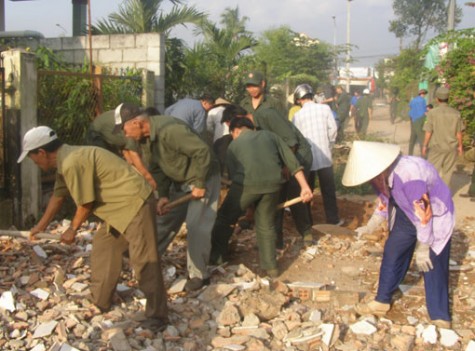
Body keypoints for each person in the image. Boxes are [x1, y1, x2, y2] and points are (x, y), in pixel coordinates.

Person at [19, 126, 168, 328]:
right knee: (104, 248)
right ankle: (101, 301)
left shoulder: (71, 161)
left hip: (135, 202)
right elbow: (58, 196)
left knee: (144, 259)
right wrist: (40, 226)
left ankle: (157, 316)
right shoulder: (65, 160)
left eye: (32, 157)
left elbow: (85, 203)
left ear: (42, 152)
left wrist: (72, 229)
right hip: (116, 210)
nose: (34, 162)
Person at [342, 141, 454, 329]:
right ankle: (382, 299)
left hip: (435, 211)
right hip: (406, 211)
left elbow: (424, 213)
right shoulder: (378, 176)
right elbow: (385, 198)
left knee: (431, 261)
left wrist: (424, 246)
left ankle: (440, 314)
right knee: (393, 250)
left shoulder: (410, 175)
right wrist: (371, 224)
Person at [115, 110, 221, 292]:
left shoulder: (171, 130)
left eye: (124, 130)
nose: (125, 135)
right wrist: (163, 195)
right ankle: (143, 262)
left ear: (136, 123)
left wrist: (200, 183)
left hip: (203, 177)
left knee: (196, 226)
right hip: (181, 181)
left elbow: (202, 152)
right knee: (164, 219)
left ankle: (199, 275)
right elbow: (156, 168)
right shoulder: (144, 139)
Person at [209, 117, 314, 277]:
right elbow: (292, 162)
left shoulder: (234, 145)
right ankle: (271, 267)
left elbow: (234, 178)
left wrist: (247, 207)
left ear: (235, 131)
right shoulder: (271, 136)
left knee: (224, 219)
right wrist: (305, 187)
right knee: (266, 225)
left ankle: (217, 258)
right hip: (273, 185)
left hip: (246, 186)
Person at [249, 106, 314, 248]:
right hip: (282, 159)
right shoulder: (253, 131)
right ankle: (275, 241)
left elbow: (292, 142)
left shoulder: (267, 114)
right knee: (276, 197)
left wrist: (286, 166)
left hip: (298, 155)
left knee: (295, 194)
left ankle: (306, 232)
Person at [292, 84, 342, 226]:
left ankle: (308, 222)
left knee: (307, 190)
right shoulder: (325, 109)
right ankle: (333, 220)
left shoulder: (297, 116)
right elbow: (333, 130)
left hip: (307, 159)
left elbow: (296, 138)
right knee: (328, 190)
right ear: (311, 96)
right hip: (325, 157)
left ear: (299, 99)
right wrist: (329, 145)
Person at [86, 103, 158, 189]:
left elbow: (128, 149)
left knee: (128, 159)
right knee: (108, 166)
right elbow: (133, 154)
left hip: (109, 132)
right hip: (97, 136)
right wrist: (149, 179)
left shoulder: (132, 116)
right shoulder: (131, 124)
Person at [422, 86, 463, 188]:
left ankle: (431, 195)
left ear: (437, 99)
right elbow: (459, 132)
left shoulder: (432, 113)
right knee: (448, 173)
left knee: (432, 171)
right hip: (451, 148)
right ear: (448, 98)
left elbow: (428, 132)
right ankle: (444, 196)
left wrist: (424, 146)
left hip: (437, 148)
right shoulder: (456, 113)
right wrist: (460, 146)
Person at [408, 89, 428, 156]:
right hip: (420, 119)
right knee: (421, 137)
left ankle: (410, 154)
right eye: (424, 94)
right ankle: (423, 155)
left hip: (412, 118)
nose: (424, 95)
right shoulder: (423, 100)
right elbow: (425, 111)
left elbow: (410, 106)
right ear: (422, 94)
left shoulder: (413, 100)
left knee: (413, 136)